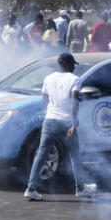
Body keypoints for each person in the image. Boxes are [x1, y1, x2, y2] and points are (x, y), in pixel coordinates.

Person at [24, 52, 97, 200]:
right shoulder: (75, 80)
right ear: (69, 64)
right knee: (75, 154)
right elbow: (74, 102)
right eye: (73, 65)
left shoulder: (48, 78)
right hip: (65, 122)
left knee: (42, 153)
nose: (74, 68)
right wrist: (73, 122)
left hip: (50, 119)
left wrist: (48, 113)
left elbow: (44, 99)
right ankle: (81, 188)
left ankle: (31, 188)